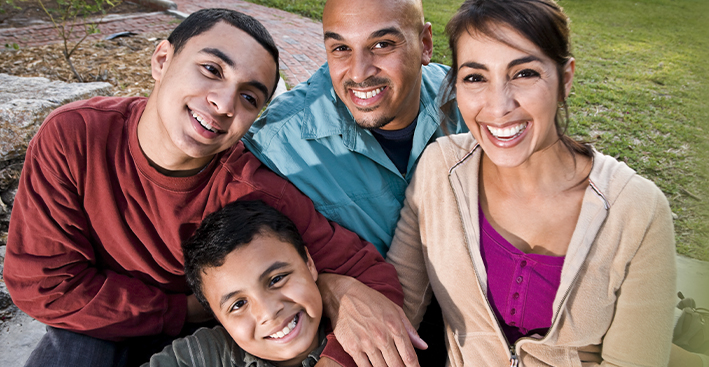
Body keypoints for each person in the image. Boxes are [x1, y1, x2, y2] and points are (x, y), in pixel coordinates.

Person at [3, 9, 418, 367]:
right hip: (100, 325)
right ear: (163, 59)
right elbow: (43, 285)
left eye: (249, 97)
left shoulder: (251, 189)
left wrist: (336, 308)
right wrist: (184, 309)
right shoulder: (77, 136)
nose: (222, 103)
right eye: (211, 70)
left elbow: (371, 279)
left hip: (223, 333)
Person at [386, 0, 677, 365]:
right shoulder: (439, 171)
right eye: (475, 77)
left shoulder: (636, 210)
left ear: (565, 79)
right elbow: (397, 311)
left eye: (524, 74)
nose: (498, 106)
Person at [243, 0, 465, 364]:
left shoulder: (467, 103)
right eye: (341, 49)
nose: (359, 73)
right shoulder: (276, 147)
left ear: (425, 44)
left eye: (382, 45)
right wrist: (331, 287)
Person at [145, 200, 329, 367]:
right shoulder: (206, 355)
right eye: (238, 304)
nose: (268, 312)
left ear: (309, 264)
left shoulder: (354, 318)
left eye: (276, 279)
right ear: (218, 318)